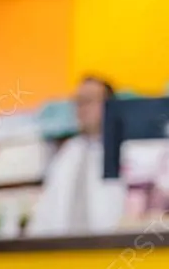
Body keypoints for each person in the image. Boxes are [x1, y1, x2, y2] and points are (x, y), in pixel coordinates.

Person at [27, 76, 124, 236]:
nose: (81, 108)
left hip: (113, 248)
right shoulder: (68, 152)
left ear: (110, 105)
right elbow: (47, 207)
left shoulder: (125, 149)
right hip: (66, 253)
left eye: (89, 101)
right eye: (78, 101)